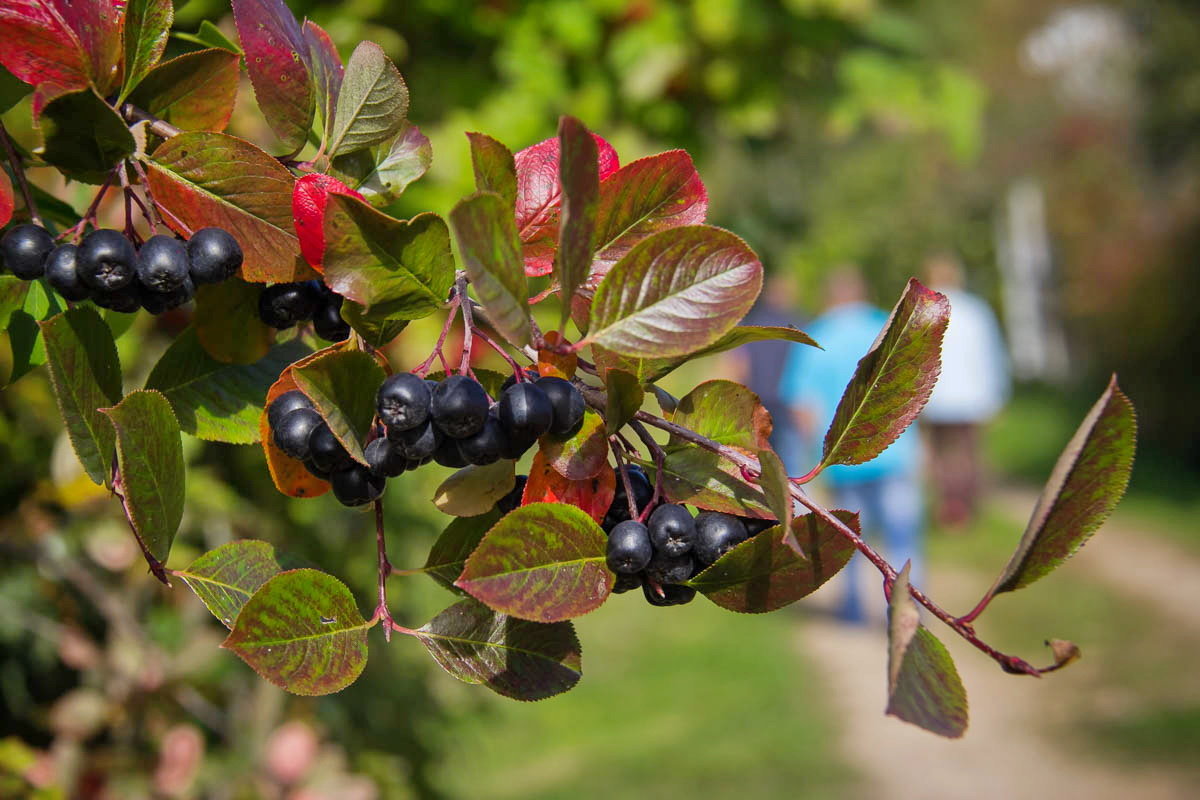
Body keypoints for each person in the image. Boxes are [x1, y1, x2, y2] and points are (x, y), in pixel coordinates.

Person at [779, 266, 923, 624]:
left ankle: (853, 611)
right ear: (862, 293)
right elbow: (917, 387)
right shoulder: (886, 329)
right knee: (902, 539)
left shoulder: (816, 336)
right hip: (896, 453)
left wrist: (816, 452)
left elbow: (801, 405)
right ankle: (911, 611)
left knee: (849, 541)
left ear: (831, 298)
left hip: (843, 458)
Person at [920, 253, 1011, 528]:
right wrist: (997, 396)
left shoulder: (924, 312)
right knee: (968, 454)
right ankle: (965, 507)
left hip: (936, 396)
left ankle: (948, 506)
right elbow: (992, 355)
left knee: (940, 455)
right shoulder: (977, 311)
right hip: (972, 396)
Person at [718, 271, 806, 473]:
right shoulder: (798, 326)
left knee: (762, 467)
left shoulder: (753, 325)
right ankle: (792, 501)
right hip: (784, 405)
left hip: (762, 405)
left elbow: (737, 365)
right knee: (790, 470)